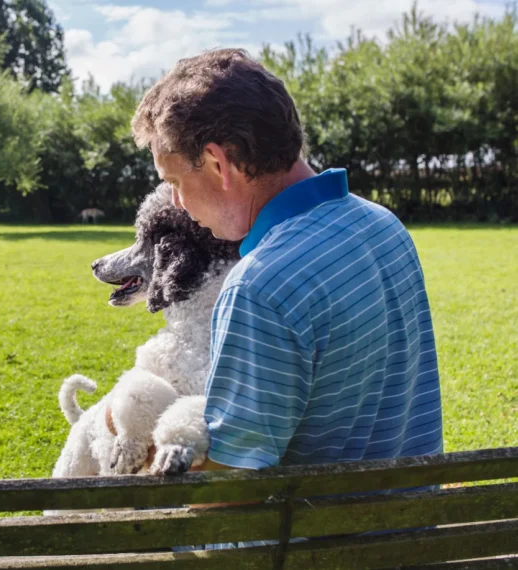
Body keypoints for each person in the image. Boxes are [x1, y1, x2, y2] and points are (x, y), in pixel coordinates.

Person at [131, 49, 443, 485]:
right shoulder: (383, 225)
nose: (178, 204)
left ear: (219, 163)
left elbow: (229, 496)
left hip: (306, 547)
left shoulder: (261, 286)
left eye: (175, 182)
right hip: (408, 529)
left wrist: (142, 451)